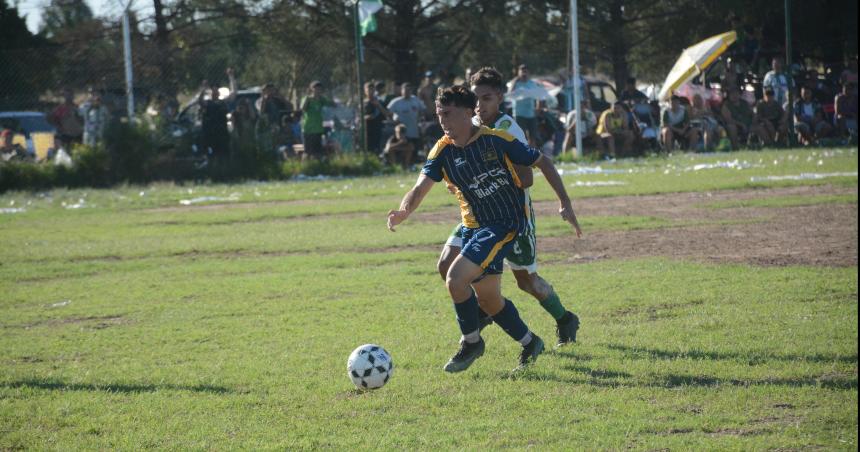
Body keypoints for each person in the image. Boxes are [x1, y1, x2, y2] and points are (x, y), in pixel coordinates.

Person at [387, 85, 582, 373]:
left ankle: (471, 342)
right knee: (489, 300)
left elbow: (542, 161)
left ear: (469, 112)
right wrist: (404, 210)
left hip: (503, 224)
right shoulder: (442, 150)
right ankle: (530, 342)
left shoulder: (497, 141)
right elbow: (420, 187)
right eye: (439, 114)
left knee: (456, 279)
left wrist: (564, 201)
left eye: (448, 114)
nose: (442, 121)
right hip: (472, 226)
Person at [435, 67, 581, 349]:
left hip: (511, 216)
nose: (480, 105)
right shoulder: (468, 123)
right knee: (446, 265)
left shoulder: (506, 129)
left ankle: (564, 319)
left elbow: (526, 178)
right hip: (477, 216)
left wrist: (564, 202)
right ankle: (489, 307)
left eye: (487, 98)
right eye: (475, 98)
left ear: (500, 97)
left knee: (527, 283)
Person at [197, 69, 236, 161]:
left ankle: (224, 170)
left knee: (224, 153)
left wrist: (231, 77)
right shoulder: (208, 103)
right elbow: (200, 101)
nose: (215, 91)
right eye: (213, 90)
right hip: (210, 133)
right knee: (211, 155)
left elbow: (233, 94)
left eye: (216, 90)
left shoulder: (222, 102)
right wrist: (203, 88)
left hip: (222, 132)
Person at [386, 82, 425, 158]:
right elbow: (388, 114)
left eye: (409, 90)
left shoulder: (416, 100)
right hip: (401, 133)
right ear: (401, 90)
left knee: (413, 151)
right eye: (405, 90)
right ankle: (398, 164)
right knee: (401, 150)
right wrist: (394, 120)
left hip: (414, 131)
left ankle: (411, 165)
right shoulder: (396, 102)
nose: (407, 92)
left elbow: (423, 110)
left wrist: (420, 118)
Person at [508, 64, 542, 146]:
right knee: (521, 136)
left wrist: (538, 107)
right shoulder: (515, 83)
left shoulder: (532, 83)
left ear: (529, 73)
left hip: (531, 114)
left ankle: (532, 156)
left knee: (532, 137)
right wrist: (515, 80)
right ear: (518, 73)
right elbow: (509, 94)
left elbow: (538, 96)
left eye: (526, 72)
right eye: (522, 71)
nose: (524, 74)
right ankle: (522, 155)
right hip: (519, 114)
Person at [300, 80, 335, 161]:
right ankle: (304, 166)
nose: (318, 90)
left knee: (317, 151)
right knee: (308, 151)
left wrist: (329, 98)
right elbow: (303, 109)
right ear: (312, 89)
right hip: (308, 128)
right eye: (316, 88)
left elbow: (332, 104)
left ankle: (317, 166)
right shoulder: (307, 99)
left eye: (320, 88)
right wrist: (308, 99)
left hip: (318, 128)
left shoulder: (321, 100)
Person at [47, 88, 84, 153]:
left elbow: (82, 120)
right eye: (66, 95)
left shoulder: (77, 107)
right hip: (66, 134)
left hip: (78, 134)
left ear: (73, 96)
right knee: (57, 140)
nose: (68, 97)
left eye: (70, 95)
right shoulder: (61, 108)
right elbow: (49, 118)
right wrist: (58, 126)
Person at [363, 81, 390, 154]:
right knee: (367, 147)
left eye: (372, 90)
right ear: (365, 91)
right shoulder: (363, 102)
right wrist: (366, 117)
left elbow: (386, 114)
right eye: (368, 90)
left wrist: (378, 105)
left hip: (378, 127)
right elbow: (358, 116)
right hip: (366, 128)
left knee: (377, 147)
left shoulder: (380, 101)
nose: (370, 92)